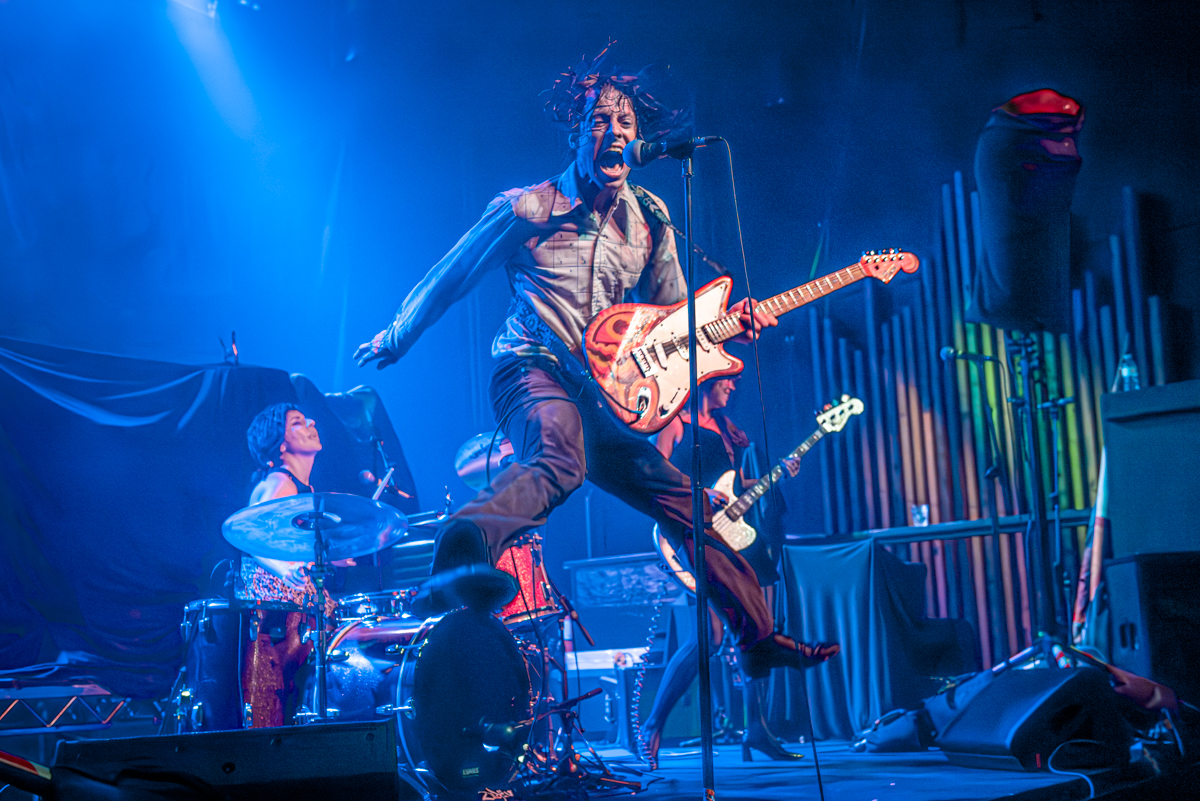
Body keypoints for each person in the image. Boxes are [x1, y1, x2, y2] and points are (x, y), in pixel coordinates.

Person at [353, 52, 836, 684]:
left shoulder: (650, 218)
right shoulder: (530, 207)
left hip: (605, 391)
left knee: (688, 503)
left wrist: (725, 327)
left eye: (625, 122)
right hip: (531, 365)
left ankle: (757, 636)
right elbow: (453, 273)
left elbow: (673, 319)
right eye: (600, 120)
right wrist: (398, 335)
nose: (615, 132)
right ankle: (465, 542)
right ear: (577, 135)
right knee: (560, 458)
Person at [641, 375, 809, 765]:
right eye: (727, 381)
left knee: (758, 633)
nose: (733, 387)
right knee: (709, 638)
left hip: (737, 537)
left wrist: (777, 473)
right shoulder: (673, 423)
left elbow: (732, 485)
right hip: (694, 533)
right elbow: (652, 475)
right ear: (706, 380)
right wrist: (699, 493)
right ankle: (652, 725)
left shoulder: (726, 429)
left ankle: (758, 731)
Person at [237, 403, 349, 728]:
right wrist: (284, 569)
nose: (311, 422)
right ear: (281, 444)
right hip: (278, 607)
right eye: (298, 423)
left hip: (297, 603)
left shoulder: (302, 487)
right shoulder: (280, 483)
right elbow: (249, 536)